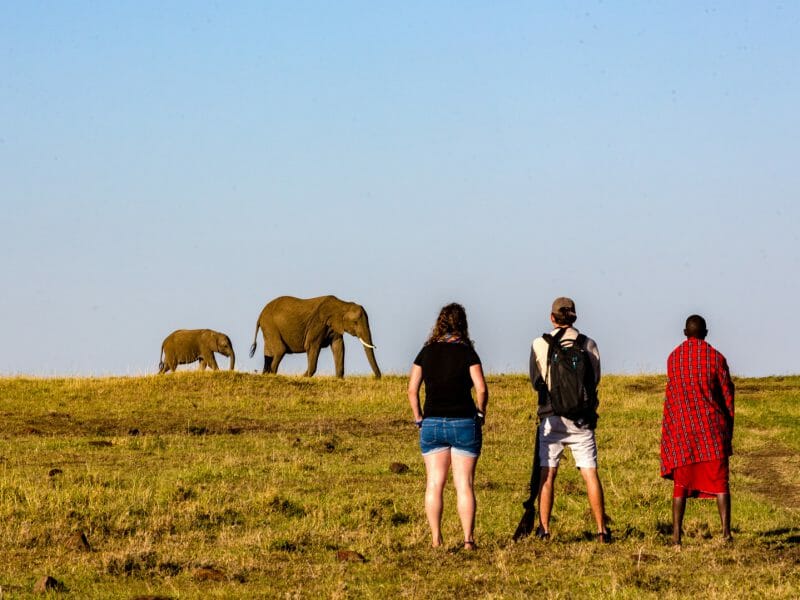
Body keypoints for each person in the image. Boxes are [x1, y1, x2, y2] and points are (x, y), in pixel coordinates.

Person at [528, 297, 611, 542]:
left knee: (548, 474)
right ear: (575, 317)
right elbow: (594, 380)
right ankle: (601, 530)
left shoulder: (539, 344)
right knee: (590, 474)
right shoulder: (588, 343)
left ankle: (544, 529)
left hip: (551, 417)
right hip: (581, 420)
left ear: (552, 317)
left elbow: (536, 382)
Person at [407, 303, 488, 550]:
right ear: (462, 324)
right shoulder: (467, 352)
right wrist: (480, 412)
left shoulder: (426, 352)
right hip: (464, 421)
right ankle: (468, 540)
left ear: (439, 323)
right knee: (464, 484)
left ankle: (435, 539)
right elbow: (482, 388)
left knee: (434, 483)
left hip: (431, 423)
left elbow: (412, 389)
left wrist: (419, 417)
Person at [661, 314, 735, 547]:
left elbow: (672, 395)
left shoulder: (674, 358)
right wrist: (728, 425)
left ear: (685, 333)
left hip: (683, 432)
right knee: (720, 481)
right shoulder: (716, 358)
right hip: (711, 431)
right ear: (706, 333)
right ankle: (725, 533)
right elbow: (727, 395)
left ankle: (676, 536)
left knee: (681, 485)